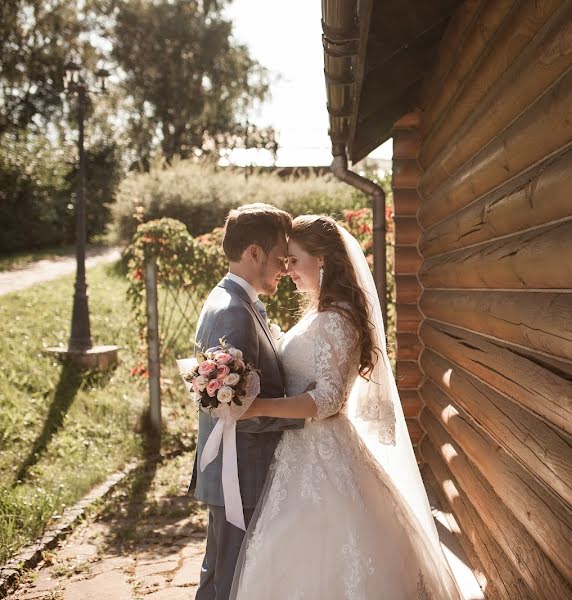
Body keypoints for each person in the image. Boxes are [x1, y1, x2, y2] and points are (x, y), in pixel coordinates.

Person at [228, 215, 461, 599]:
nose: (286, 270)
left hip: (324, 453)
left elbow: (328, 401)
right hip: (297, 453)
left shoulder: (338, 320)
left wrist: (254, 407)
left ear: (323, 260)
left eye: (294, 260)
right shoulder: (319, 314)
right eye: (283, 262)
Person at [191, 203, 304, 600]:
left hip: (237, 468)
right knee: (232, 579)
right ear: (253, 252)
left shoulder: (232, 300)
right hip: (241, 471)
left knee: (222, 575)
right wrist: (309, 415)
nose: (285, 269)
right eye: (279, 258)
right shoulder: (233, 312)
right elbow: (235, 411)